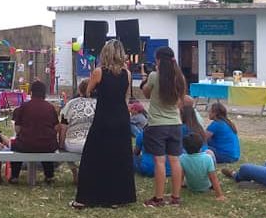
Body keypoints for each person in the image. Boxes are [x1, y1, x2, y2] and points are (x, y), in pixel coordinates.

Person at [71, 39, 136, 209]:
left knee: (93, 156)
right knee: (119, 157)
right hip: (121, 117)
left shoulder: (99, 72)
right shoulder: (127, 74)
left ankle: (86, 197)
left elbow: (87, 91)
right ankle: (117, 198)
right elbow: (125, 96)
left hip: (104, 117)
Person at [140, 46, 186, 207]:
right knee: (175, 160)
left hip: (157, 125)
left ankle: (158, 198)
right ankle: (175, 197)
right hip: (175, 123)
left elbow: (146, 93)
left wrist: (145, 79)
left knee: (159, 161)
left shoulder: (154, 76)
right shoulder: (180, 78)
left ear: (158, 60)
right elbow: (181, 101)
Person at [9, 80, 60, 184]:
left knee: (15, 146)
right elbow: (56, 127)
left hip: (25, 144)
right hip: (47, 145)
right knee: (47, 144)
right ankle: (49, 176)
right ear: (44, 93)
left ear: (31, 93)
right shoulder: (50, 107)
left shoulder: (24, 106)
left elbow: (17, 128)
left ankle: (14, 176)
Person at [59, 82, 96, 184]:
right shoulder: (98, 104)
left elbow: (63, 126)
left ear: (79, 90)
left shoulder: (71, 104)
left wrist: (61, 144)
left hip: (74, 143)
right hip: (94, 144)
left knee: (65, 147)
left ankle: (75, 173)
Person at [180, 133, 225, 201]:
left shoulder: (182, 158)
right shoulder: (208, 158)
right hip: (206, 186)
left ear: (184, 148)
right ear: (201, 146)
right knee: (209, 152)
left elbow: (180, 177)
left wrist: (177, 194)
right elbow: (213, 178)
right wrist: (220, 195)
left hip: (191, 187)